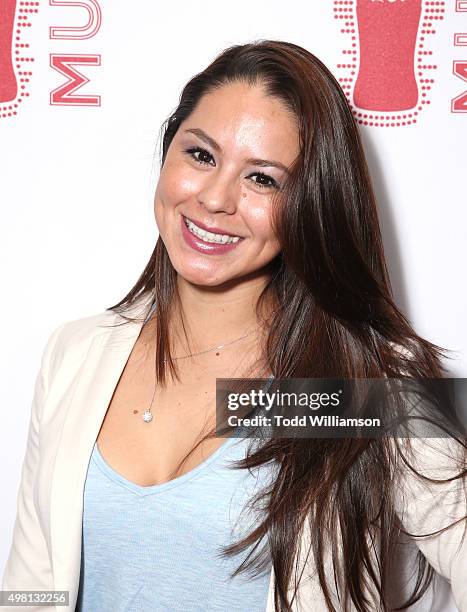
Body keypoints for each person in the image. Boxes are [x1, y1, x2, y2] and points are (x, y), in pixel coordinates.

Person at [2, 40, 466, 612]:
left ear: (310, 205)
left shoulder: (353, 380)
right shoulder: (77, 352)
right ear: (169, 150)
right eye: (201, 155)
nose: (217, 198)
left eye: (263, 180)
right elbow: (28, 589)